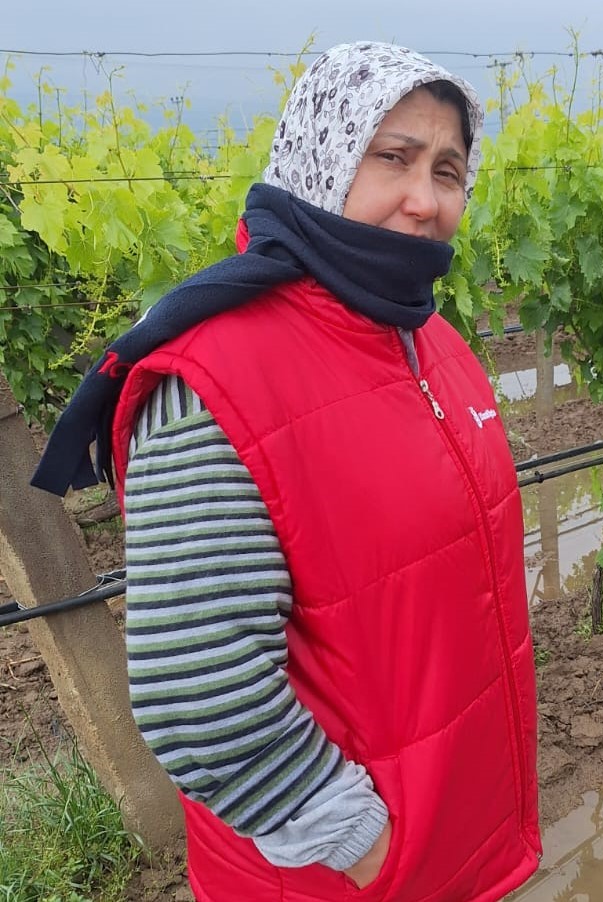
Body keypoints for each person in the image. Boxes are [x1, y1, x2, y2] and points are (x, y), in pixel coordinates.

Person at [32, 41, 541, 901]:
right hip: (351, 876)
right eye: (393, 157)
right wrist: (367, 847)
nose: (425, 200)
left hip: (464, 844)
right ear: (323, 152)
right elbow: (201, 701)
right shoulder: (215, 382)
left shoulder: (430, 343)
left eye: (449, 170)